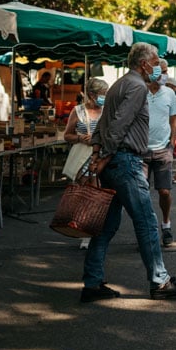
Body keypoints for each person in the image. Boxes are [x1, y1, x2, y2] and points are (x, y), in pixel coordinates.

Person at [81, 42, 176, 302]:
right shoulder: (136, 86)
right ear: (144, 64)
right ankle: (160, 280)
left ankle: (93, 281)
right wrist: (105, 155)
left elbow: (103, 126)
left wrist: (99, 155)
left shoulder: (119, 85)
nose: (158, 69)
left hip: (115, 162)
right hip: (126, 162)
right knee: (146, 222)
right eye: (155, 63)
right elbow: (118, 126)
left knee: (106, 226)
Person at [62, 77, 109, 250]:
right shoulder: (78, 111)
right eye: (103, 94)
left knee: (98, 196)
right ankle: (86, 233)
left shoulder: (107, 111)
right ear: (91, 94)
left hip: (101, 159)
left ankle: (94, 232)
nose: (105, 97)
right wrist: (81, 138)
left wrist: (100, 139)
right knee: (84, 197)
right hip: (82, 159)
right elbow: (67, 135)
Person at [145, 60, 176, 247]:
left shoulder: (169, 93)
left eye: (167, 71)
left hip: (163, 149)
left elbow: (174, 119)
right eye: (163, 71)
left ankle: (166, 224)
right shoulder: (140, 91)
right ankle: (147, 229)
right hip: (141, 150)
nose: (165, 75)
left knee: (164, 191)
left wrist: (172, 141)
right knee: (141, 193)